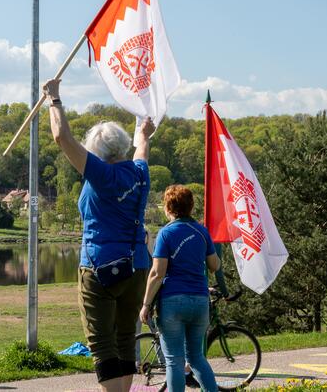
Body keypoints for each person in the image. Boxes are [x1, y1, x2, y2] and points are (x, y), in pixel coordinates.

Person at [43, 78, 153, 392]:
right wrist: (143, 133)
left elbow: (61, 138)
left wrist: (55, 100)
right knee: (124, 338)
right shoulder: (139, 173)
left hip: (99, 267)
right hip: (136, 266)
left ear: (98, 152)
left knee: (102, 343)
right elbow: (142, 148)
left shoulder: (101, 174)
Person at [139, 185, 220, 392]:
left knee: (174, 360)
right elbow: (214, 266)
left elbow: (157, 273)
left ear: (168, 208)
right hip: (200, 301)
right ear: (191, 206)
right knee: (196, 358)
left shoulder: (166, 233)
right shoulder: (202, 232)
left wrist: (146, 304)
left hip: (173, 302)